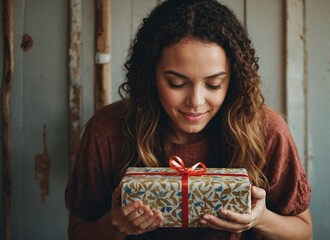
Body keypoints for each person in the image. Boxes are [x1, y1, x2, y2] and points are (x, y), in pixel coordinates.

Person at [65, 0, 312, 239]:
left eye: (214, 84)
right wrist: (114, 226)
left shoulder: (266, 130)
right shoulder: (107, 130)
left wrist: (261, 220)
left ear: (233, 79)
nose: (196, 101)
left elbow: (303, 232)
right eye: (177, 83)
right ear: (150, 74)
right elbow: (78, 232)